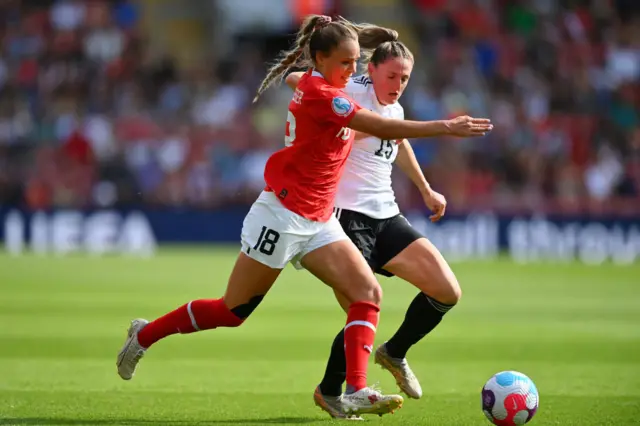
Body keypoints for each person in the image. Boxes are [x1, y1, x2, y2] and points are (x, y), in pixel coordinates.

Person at [116, 14, 492, 418]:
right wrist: (445, 127)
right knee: (232, 312)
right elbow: (370, 123)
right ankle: (145, 334)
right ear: (321, 60)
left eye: (354, 64)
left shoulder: (324, 84)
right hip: (281, 216)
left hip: (319, 220)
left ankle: (356, 390)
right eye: (345, 64)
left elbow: (304, 82)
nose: (352, 72)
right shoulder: (325, 95)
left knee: (368, 295)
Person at [285, 28, 472, 418]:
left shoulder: (394, 107)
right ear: (370, 70)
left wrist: (425, 189)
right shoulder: (351, 90)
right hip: (344, 216)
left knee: (447, 291)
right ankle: (333, 390)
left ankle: (395, 352)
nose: (398, 85)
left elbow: (397, 139)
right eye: (391, 76)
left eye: (404, 78)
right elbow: (297, 80)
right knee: (362, 305)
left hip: (386, 215)